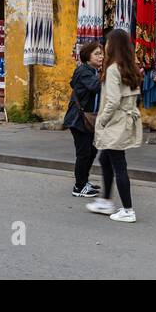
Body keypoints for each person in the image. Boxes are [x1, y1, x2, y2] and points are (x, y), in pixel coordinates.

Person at [86, 28, 142, 223]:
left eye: (108, 42)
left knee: (119, 165)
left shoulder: (112, 69)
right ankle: (106, 200)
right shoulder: (130, 67)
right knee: (105, 159)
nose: (105, 46)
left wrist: (101, 121)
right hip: (125, 120)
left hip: (115, 122)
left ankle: (127, 209)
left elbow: (112, 101)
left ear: (113, 46)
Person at [63, 40, 103, 198]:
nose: (101, 57)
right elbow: (96, 87)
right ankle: (79, 187)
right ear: (87, 56)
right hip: (79, 119)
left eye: (102, 54)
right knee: (83, 153)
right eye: (97, 54)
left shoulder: (93, 71)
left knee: (91, 151)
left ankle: (84, 181)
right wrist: (112, 75)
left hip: (88, 118)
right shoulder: (84, 71)